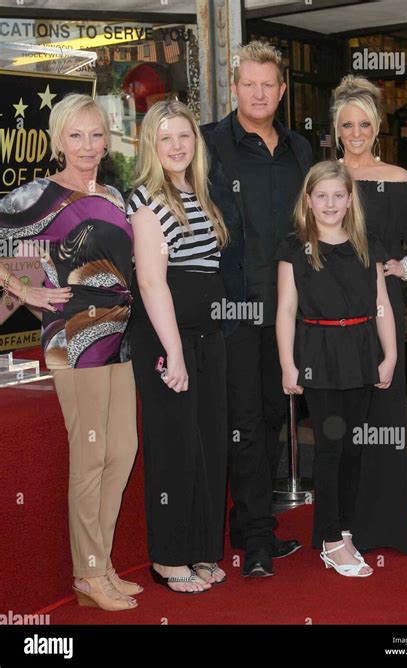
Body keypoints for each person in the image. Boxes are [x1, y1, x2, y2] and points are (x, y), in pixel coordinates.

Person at [0, 94, 141, 611]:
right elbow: (7, 248)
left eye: (96, 134)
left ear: (108, 139)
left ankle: (100, 566)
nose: (88, 145)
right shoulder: (38, 194)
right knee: (90, 456)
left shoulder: (116, 195)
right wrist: (28, 290)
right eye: (76, 135)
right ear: (58, 140)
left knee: (121, 450)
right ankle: (88, 575)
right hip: (74, 338)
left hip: (122, 336)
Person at [201, 41, 312, 578]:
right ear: (235, 87)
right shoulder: (207, 145)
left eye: (269, 84)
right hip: (232, 310)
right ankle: (255, 541)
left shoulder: (300, 150)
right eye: (250, 84)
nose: (260, 93)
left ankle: (256, 522)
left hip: (289, 311)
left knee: (273, 417)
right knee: (243, 421)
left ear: (282, 90)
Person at [331, 75, 407, 554]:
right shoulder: (324, 178)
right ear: (336, 130)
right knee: (338, 419)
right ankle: (338, 528)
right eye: (346, 125)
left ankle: (381, 527)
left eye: (364, 124)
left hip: (380, 309)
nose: (355, 133)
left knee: (382, 415)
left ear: (377, 127)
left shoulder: (398, 180)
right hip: (329, 313)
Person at [276, 160, 397, 576]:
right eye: (321, 196)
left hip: (361, 353)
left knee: (352, 449)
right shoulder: (295, 248)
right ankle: (329, 539)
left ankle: (343, 528)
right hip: (318, 357)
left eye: (338, 195)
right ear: (308, 201)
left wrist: (391, 354)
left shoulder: (367, 244)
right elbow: (286, 310)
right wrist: (287, 365)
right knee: (329, 449)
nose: (330, 203)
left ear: (350, 200)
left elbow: (381, 304)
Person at [128, 100, 229, 594]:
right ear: (150, 144)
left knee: (208, 445)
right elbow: (151, 282)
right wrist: (176, 352)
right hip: (168, 341)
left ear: (196, 141)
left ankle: (201, 549)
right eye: (165, 138)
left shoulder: (198, 192)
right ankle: (168, 559)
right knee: (173, 449)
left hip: (208, 338)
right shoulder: (145, 199)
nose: (176, 146)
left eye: (183, 136)